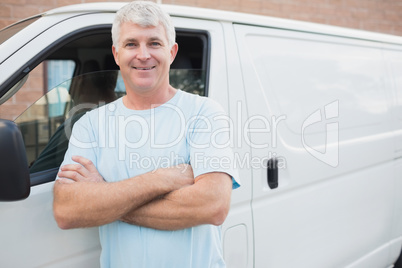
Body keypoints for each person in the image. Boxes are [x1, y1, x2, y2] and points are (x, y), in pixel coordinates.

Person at [53, 1, 240, 267]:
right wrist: (164, 177)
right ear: (117, 54)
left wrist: (104, 198)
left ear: (172, 52)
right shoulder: (91, 124)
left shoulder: (204, 113)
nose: (143, 55)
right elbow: (67, 211)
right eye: (131, 44)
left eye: (154, 43)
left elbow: (213, 205)